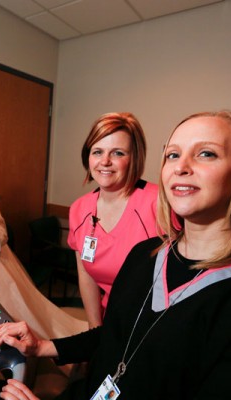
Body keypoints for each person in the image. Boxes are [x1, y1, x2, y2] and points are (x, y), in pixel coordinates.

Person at [0, 111, 231, 399]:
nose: (181, 167)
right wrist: (44, 347)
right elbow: (117, 334)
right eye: (172, 155)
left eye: (206, 154)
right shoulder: (145, 257)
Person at [68, 112, 158, 328]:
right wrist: (95, 329)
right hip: (113, 318)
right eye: (97, 152)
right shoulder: (79, 209)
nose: (105, 162)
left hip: (156, 322)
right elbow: (87, 276)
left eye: (117, 153)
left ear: (134, 157)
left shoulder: (159, 204)